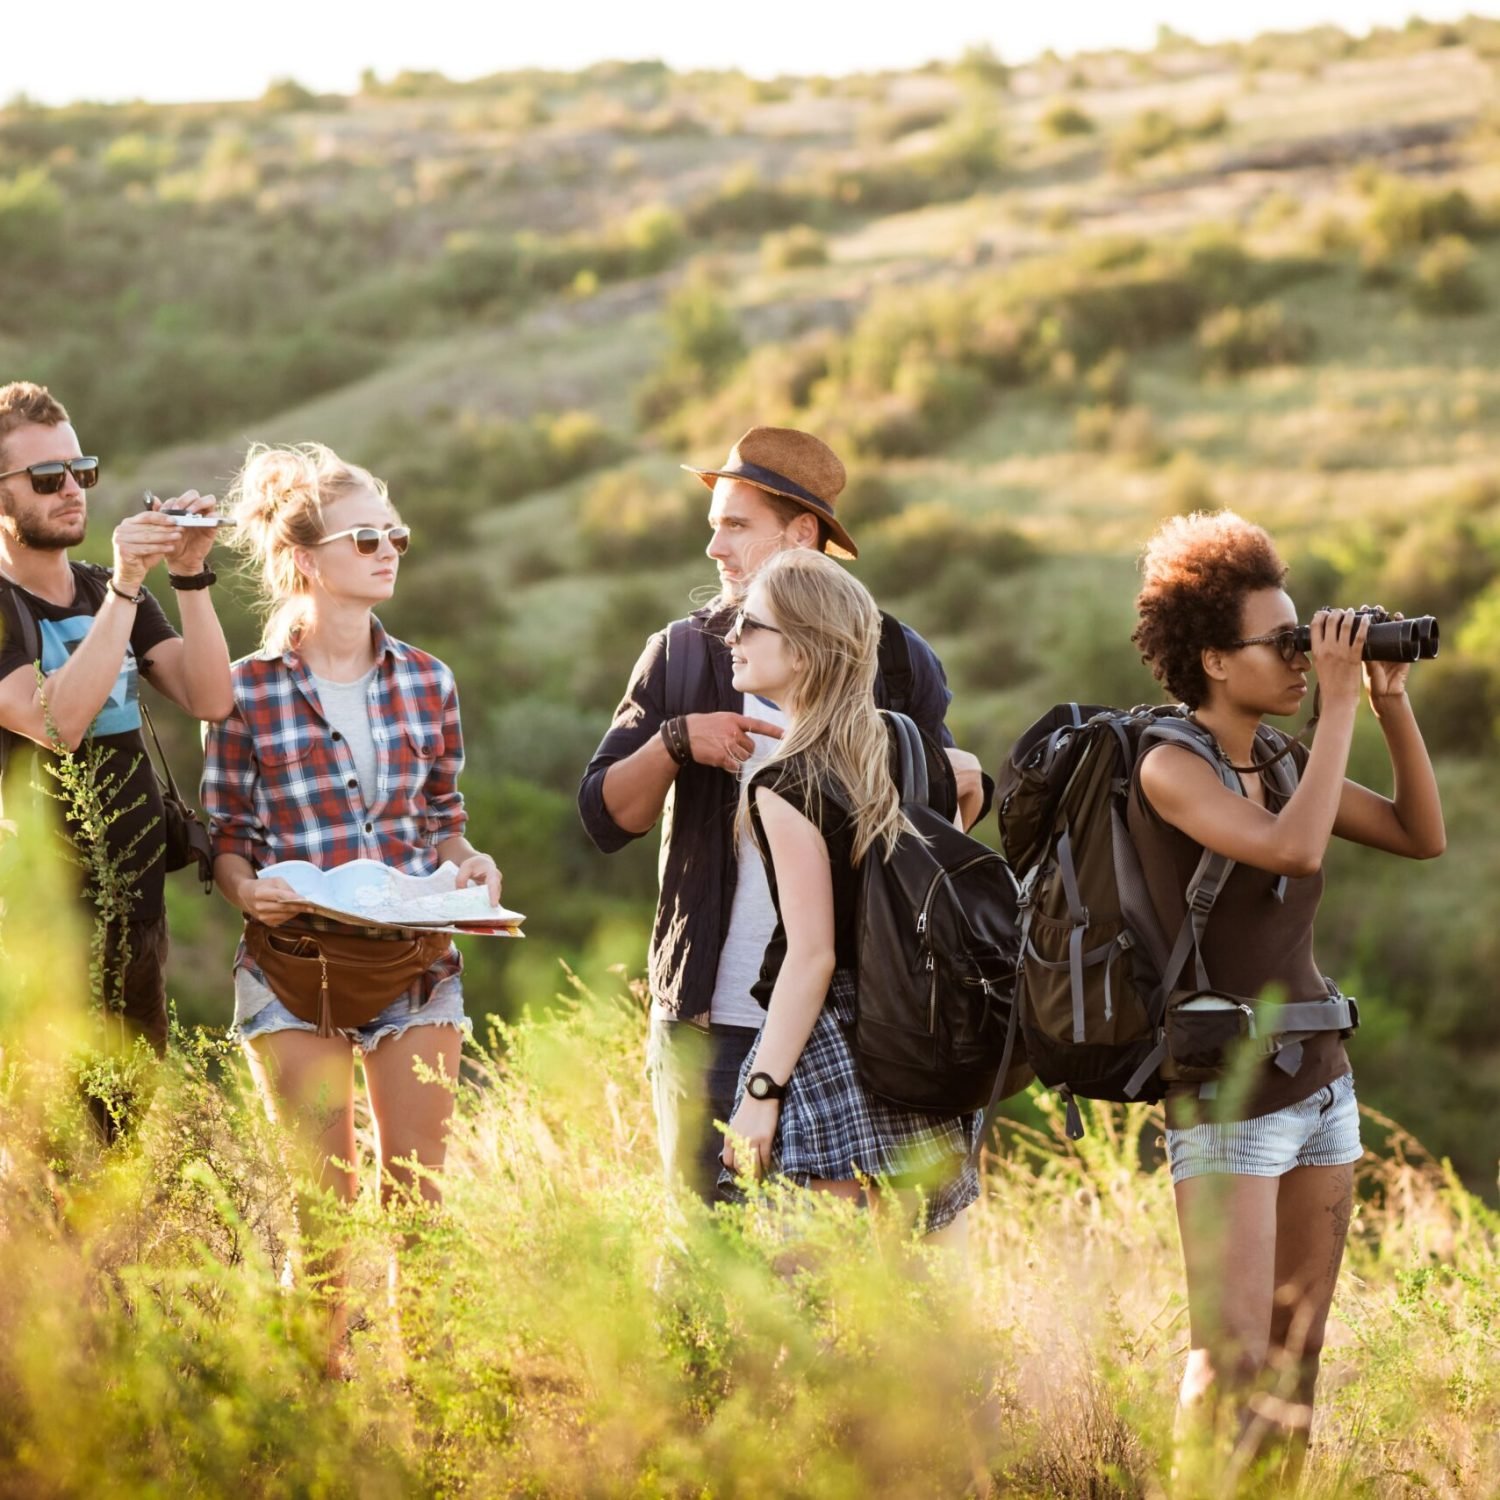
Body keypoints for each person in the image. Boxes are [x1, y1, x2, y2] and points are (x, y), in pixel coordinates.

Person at [578, 425, 985, 1201]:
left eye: (736, 525)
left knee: (831, 1280)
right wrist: (675, 741)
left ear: (801, 534)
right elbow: (604, 819)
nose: (714, 549)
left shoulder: (895, 660)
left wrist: (967, 779)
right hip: (708, 1017)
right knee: (702, 1262)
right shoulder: (686, 654)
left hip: (853, 1026)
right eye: (713, 526)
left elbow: (936, 830)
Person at [1128, 511, 1444, 1476]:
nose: (1306, 658)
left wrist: (1386, 699)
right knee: (1229, 1364)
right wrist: (1339, 706)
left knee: (1298, 1362)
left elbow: (1419, 834)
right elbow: (1294, 849)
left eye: (1305, 636)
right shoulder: (1170, 766)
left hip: (1319, 1086)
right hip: (1227, 1097)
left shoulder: (1284, 760)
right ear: (1216, 662)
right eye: (1283, 643)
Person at [200, 442, 502, 1222]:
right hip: (294, 969)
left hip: (417, 968)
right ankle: (319, 1353)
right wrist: (245, 890)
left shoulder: (429, 680)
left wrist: (471, 867)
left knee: (418, 1213)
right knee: (320, 1223)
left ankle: (422, 1354)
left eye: (394, 535)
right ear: (304, 560)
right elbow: (226, 834)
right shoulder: (245, 689)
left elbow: (444, 823)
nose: (387, 552)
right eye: (365, 539)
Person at [716, 549, 979, 1241]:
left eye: (749, 624)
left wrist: (759, 1096)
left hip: (834, 1046)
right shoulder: (915, 750)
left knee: (817, 1313)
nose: (731, 637)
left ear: (800, 652)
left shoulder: (787, 782)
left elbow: (814, 957)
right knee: (916, 1313)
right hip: (922, 1036)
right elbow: (962, 810)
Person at [0, 381, 232, 1056]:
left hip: (135, 915)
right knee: (54, 1148)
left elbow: (210, 698)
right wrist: (131, 583)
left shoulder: (105, 589)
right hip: (40, 929)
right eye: (47, 477)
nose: (72, 489)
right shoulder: (99, 595)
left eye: (82, 471)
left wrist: (189, 575)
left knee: (126, 1140)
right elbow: (55, 723)